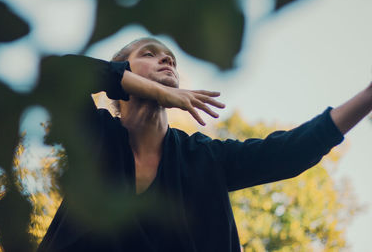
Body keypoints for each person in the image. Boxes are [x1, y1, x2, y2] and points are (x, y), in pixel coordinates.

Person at [37, 37, 372, 252]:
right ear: (124, 70)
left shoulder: (205, 158)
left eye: (170, 59)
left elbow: (290, 152)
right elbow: (59, 70)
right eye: (149, 54)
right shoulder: (94, 134)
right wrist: (160, 92)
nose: (166, 60)